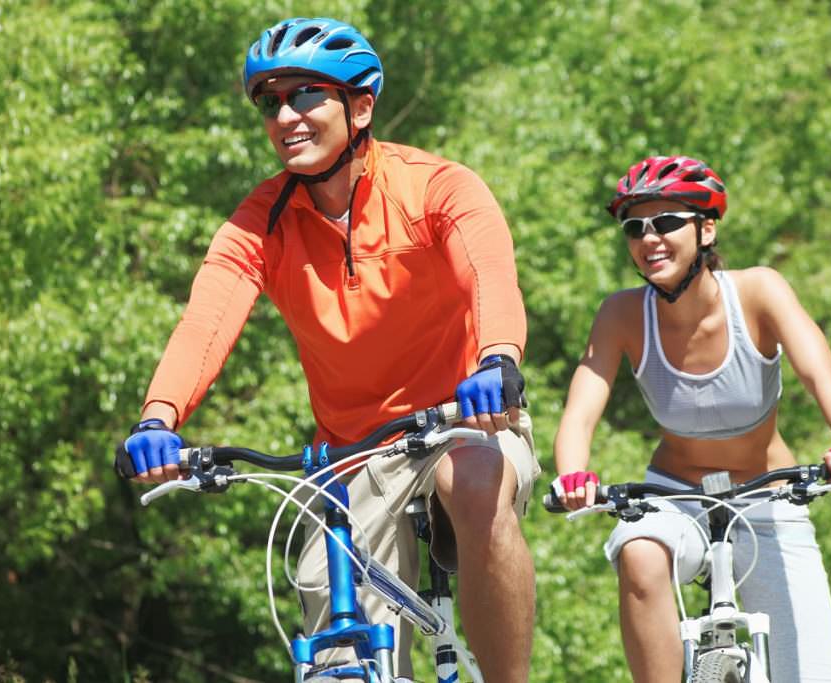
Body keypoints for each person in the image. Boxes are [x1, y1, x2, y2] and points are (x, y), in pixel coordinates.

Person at [121, 17, 540, 681]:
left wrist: (498, 359)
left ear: (362, 105)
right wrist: (159, 416)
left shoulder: (436, 188)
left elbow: (489, 270)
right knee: (336, 638)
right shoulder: (259, 221)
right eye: (269, 102)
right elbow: (208, 317)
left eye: (306, 95)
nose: (284, 114)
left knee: (476, 480)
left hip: (463, 419)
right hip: (351, 454)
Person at [552, 154, 831, 682]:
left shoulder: (758, 291)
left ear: (706, 229)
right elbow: (580, 413)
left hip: (771, 499)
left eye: (667, 222)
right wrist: (572, 476)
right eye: (635, 228)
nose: (649, 238)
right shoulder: (621, 314)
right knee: (639, 551)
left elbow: (825, 380)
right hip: (674, 496)